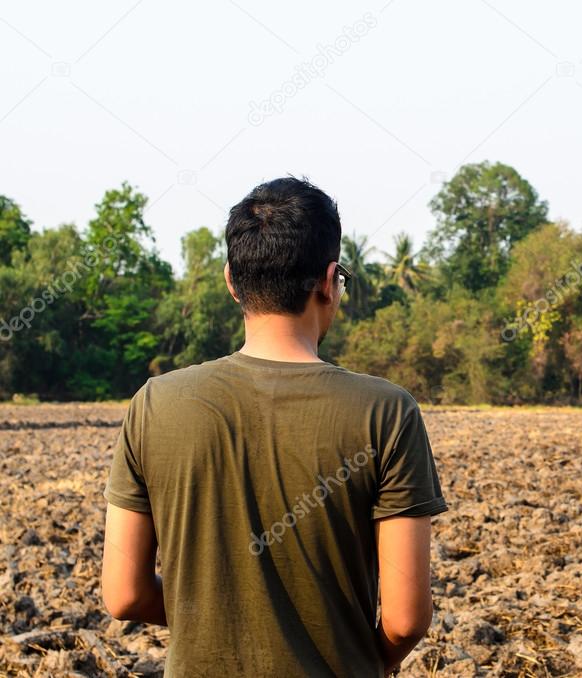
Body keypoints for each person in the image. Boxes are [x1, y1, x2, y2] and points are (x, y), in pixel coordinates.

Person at [101, 177, 447, 677]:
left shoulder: (154, 404)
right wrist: (370, 660)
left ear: (231, 281)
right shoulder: (386, 412)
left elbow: (125, 594)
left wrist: (215, 622)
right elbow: (405, 618)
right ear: (330, 281)